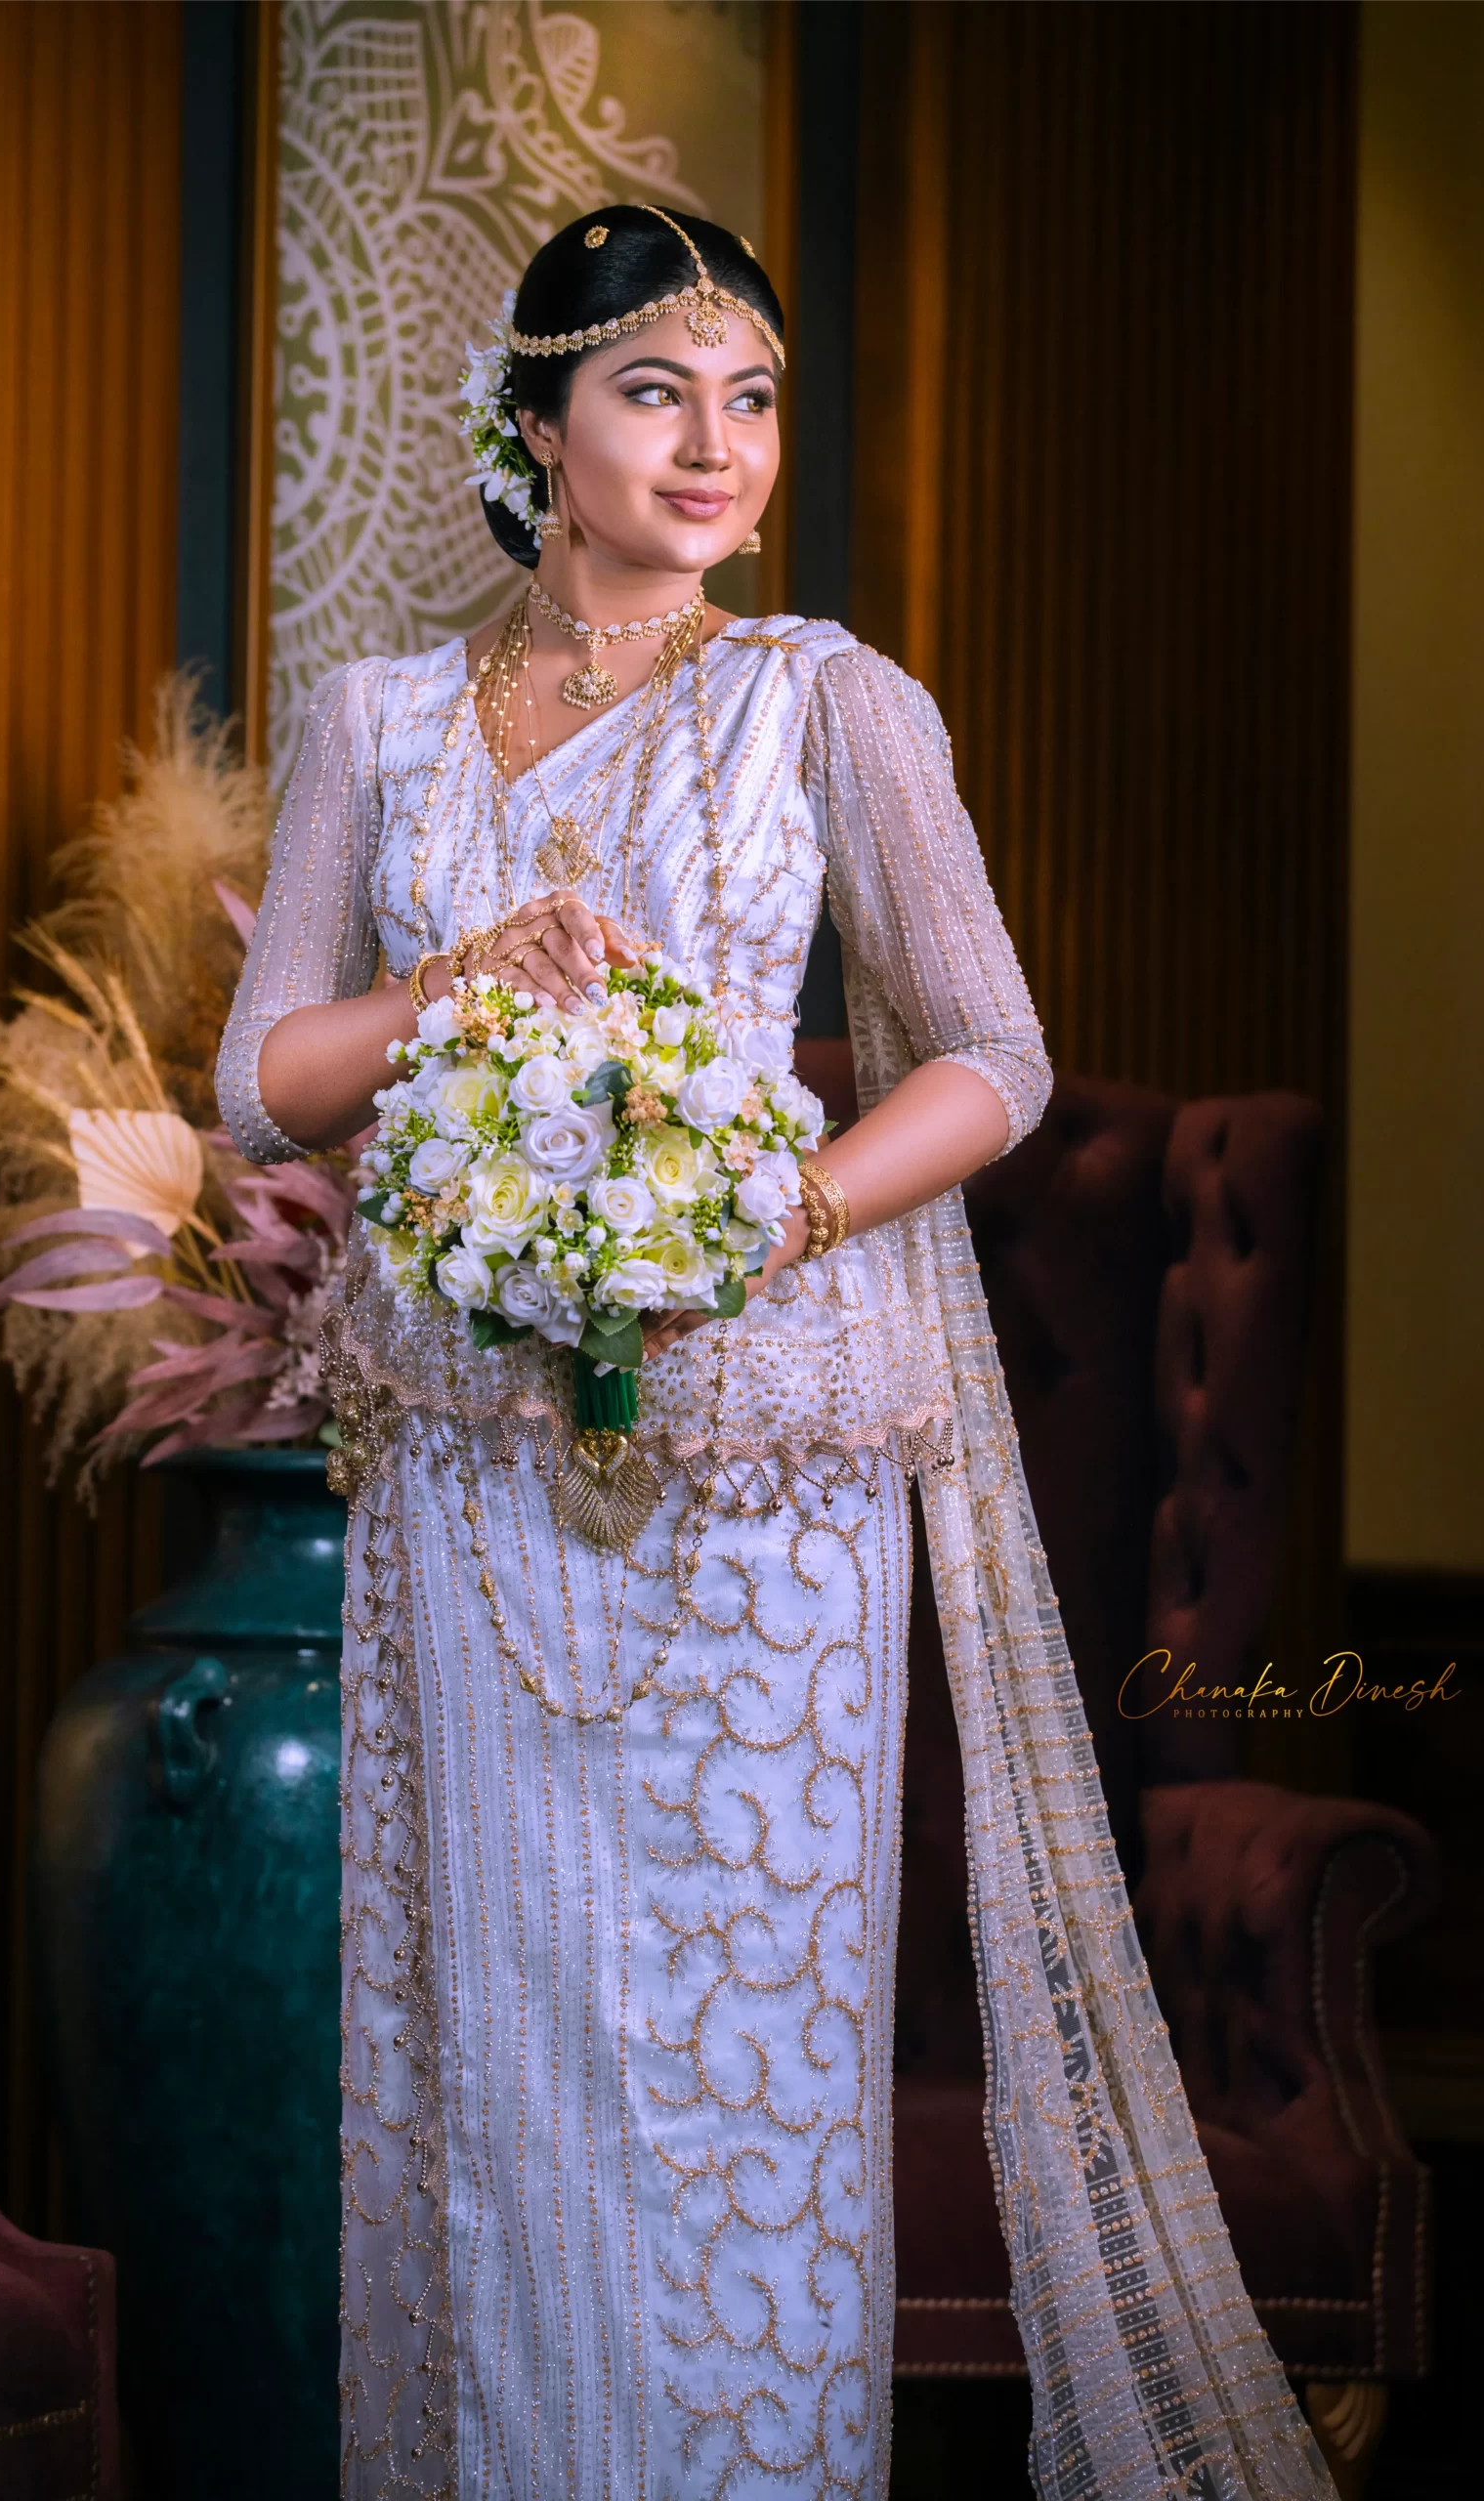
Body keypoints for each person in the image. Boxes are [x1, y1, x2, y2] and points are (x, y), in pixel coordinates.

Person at [216, 206, 1333, 2501]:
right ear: (536, 429)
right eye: (653, 390)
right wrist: (454, 987)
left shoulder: (828, 697)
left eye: (750, 398)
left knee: (739, 2080)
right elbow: (262, 1082)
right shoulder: (378, 720)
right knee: (501, 2063)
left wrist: (775, 1210)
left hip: (762, 1494)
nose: (714, 442)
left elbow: (995, 1058)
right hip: (472, 1473)